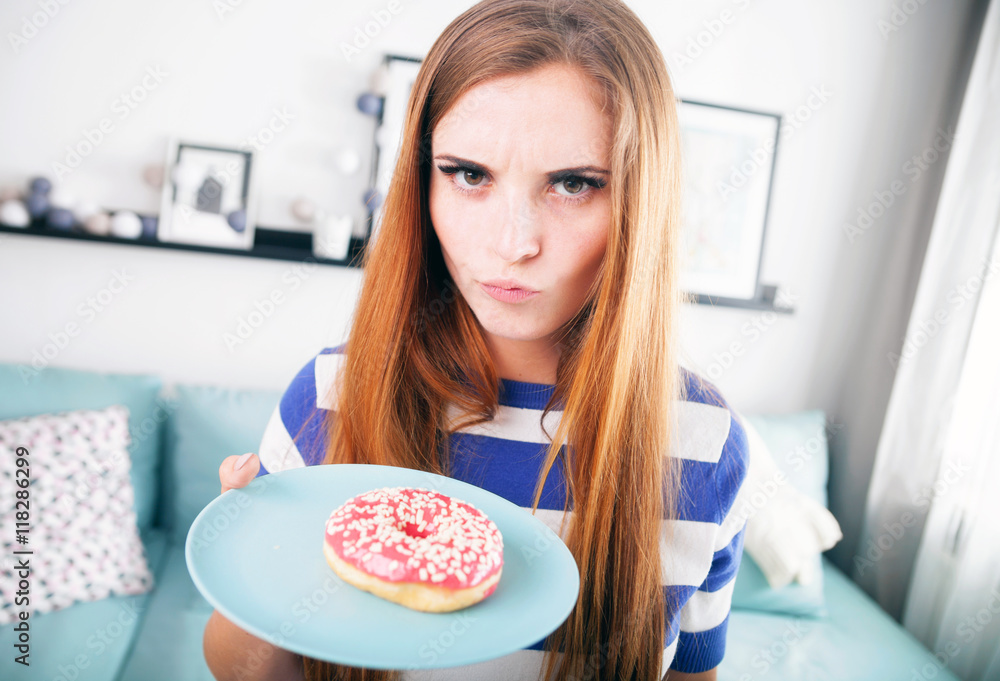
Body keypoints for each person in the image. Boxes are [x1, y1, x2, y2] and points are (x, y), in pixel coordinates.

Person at [203, 0, 750, 679]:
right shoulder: (329, 395)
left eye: (574, 183)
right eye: (468, 174)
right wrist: (251, 571)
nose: (512, 244)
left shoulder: (703, 440)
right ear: (421, 185)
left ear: (641, 198)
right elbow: (248, 666)